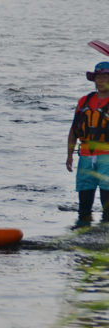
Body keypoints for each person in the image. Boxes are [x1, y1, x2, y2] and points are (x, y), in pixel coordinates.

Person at [67, 61, 109, 228]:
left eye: (105, 77)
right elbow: (74, 129)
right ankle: (82, 233)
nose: (101, 80)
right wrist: (69, 155)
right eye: (98, 77)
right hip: (85, 156)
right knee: (84, 204)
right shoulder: (84, 101)